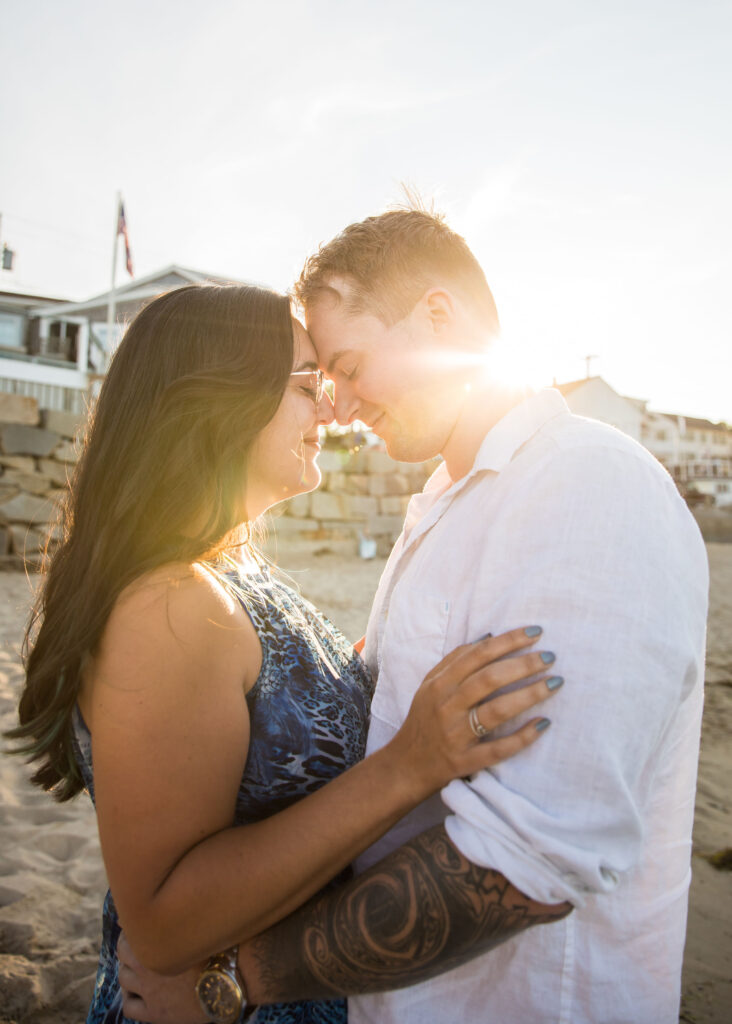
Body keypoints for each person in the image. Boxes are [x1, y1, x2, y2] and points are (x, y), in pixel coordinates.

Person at [119, 206, 708, 1024]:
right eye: (324, 378)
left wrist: (237, 978)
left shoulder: (586, 489)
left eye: (350, 365)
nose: (341, 403)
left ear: (439, 317)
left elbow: (523, 866)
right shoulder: (442, 503)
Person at [7, 283, 564, 1024]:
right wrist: (410, 765)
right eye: (308, 385)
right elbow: (164, 923)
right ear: (217, 402)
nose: (332, 409)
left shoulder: (228, 569)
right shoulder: (168, 606)